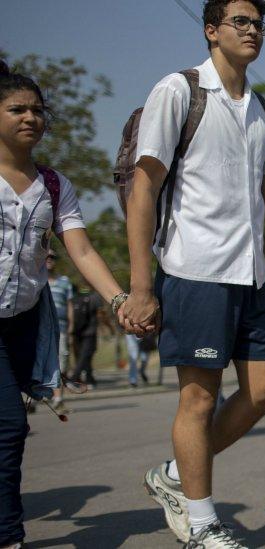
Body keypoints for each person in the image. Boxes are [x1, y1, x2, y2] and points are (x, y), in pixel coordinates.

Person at [121, 1, 265, 547]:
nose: (253, 31)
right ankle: (202, 522)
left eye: (259, 23)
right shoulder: (179, 91)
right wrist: (141, 286)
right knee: (199, 399)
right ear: (211, 30)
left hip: (251, 276)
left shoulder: (263, 108)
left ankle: (173, 474)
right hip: (195, 271)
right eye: (240, 21)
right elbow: (145, 187)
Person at [0, 60, 128, 549]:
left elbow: (82, 251)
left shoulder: (54, 186)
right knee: (9, 427)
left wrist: (119, 299)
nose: (30, 118)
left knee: (9, 427)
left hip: (23, 321)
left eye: (37, 110)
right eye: (16, 109)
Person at [45, 251, 72, 411]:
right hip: (42, 329)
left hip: (61, 328)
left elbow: (69, 305)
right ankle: (37, 397)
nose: (49, 260)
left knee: (62, 359)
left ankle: (58, 397)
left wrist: (71, 326)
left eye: (52, 257)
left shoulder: (64, 281)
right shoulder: (37, 280)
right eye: (46, 257)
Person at [68, 286, 100, 388]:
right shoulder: (94, 296)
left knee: (85, 356)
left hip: (77, 331)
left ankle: (90, 379)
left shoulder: (75, 297)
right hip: (90, 331)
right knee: (85, 356)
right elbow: (101, 313)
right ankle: (74, 378)